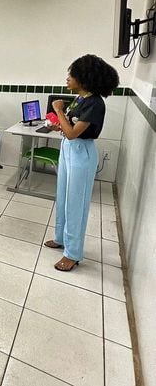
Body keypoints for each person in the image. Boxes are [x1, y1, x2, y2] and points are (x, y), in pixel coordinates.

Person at [44, 54, 119, 272]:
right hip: (68, 149)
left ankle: (73, 254)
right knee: (63, 196)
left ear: (85, 78)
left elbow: (74, 133)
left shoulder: (95, 103)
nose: (68, 78)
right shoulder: (81, 99)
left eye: (72, 75)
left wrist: (58, 110)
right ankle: (60, 237)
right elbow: (69, 127)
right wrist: (58, 124)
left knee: (76, 202)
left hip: (81, 153)